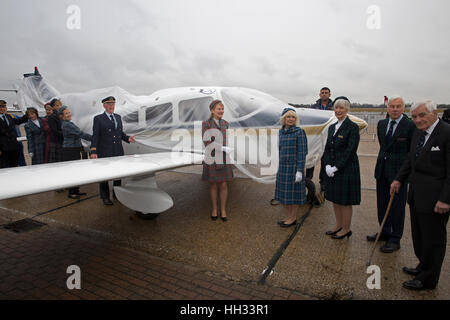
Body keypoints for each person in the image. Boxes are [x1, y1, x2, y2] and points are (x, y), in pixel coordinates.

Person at [391, 100, 449, 291]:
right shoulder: (418, 133)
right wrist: (399, 179)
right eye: (414, 116)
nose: (418, 120)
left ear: (434, 113)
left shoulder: (446, 133)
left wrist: (445, 199)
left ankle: (428, 280)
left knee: (433, 240)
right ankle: (423, 267)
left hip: (436, 200)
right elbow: (410, 159)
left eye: (422, 115)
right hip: (416, 195)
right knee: (419, 236)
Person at [368, 96, 415, 253]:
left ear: (403, 108)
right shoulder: (382, 124)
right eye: (392, 106)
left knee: (397, 206)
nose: (395, 109)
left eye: (398, 106)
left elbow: (411, 152)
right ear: (388, 108)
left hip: (398, 173)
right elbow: (384, 147)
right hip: (382, 170)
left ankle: (395, 238)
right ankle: (384, 230)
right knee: (382, 203)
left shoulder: (409, 125)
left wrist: (403, 176)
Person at [320, 96, 360, 239]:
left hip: (346, 169)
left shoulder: (352, 127)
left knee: (345, 201)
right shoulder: (332, 127)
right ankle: (338, 225)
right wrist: (326, 165)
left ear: (347, 109)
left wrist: (336, 167)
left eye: (341, 108)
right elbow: (327, 148)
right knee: (335, 199)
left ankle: (346, 228)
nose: (338, 110)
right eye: (336, 108)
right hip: (332, 169)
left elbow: (350, 151)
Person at [90, 96, 136, 205]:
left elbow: (119, 133)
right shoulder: (98, 119)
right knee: (104, 175)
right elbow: (95, 136)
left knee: (118, 173)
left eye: (113, 104)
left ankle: (117, 193)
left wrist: (127, 138)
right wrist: (93, 151)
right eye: (109, 104)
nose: (111, 106)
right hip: (105, 151)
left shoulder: (118, 117)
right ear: (104, 105)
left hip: (117, 150)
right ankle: (105, 197)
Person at [274, 108, 308, 227]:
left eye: (293, 117)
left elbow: (302, 152)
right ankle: (288, 216)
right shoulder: (281, 132)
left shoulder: (299, 132)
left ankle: (292, 218)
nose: (291, 119)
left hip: (294, 169)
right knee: (284, 195)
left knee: (293, 196)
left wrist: (299, 171)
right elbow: (280, 150)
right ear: (284, 119)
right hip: (283, 168)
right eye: (288, 117)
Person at [202, 100, 233, 221]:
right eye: (218, 109)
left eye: (222, 109)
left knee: (224, 184)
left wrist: (227, 150)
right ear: (212, 110)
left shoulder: (226, 123)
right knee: (213, 184)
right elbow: (207, 142)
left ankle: (223, 210)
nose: (221, 111)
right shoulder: (206, 124)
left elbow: (226, 140)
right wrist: (222, 148)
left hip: (224, 157)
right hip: (212, 156)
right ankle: (214, 209)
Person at [60, 106, 92, 199]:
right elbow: (80, 133)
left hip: (74, 148)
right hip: (70, 150)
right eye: (66, 113)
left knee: (76, 170)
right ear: (62, 116)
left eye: (69, 112)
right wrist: (94, 138)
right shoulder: (67, 125)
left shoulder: (69, 123)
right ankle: (71, 192)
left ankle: (76, 190)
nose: (69, 114)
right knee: (72, 171)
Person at [307, 87, 333, 181]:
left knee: (325, 160)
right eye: (322, 92)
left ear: (329, 94)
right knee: (311, 158)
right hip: (316, 137)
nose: (324, 94)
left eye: (326, 92)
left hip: (329, 136)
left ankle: (323, 181)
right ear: (319, 94)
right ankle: (308, 179)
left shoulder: (334, 107)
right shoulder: (314, 107)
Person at [0, 100, 28, 168]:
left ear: (6, 108)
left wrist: (27, 114)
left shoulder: (9, 116)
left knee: (14, 167)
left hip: (13, 146)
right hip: (3, 148)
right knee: (3, 168)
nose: (2, 108)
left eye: (3, 106)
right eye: (0, 107)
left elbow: (18, 121)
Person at [47, 98, 64, 163]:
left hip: (60, 140)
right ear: (53, 107)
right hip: (55, 141)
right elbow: (54, 130)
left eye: (60, 105)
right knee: (56, 161)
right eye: (57, 105)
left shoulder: (61, 115)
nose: (59, 107)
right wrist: (64, 134)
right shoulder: (52, 116)